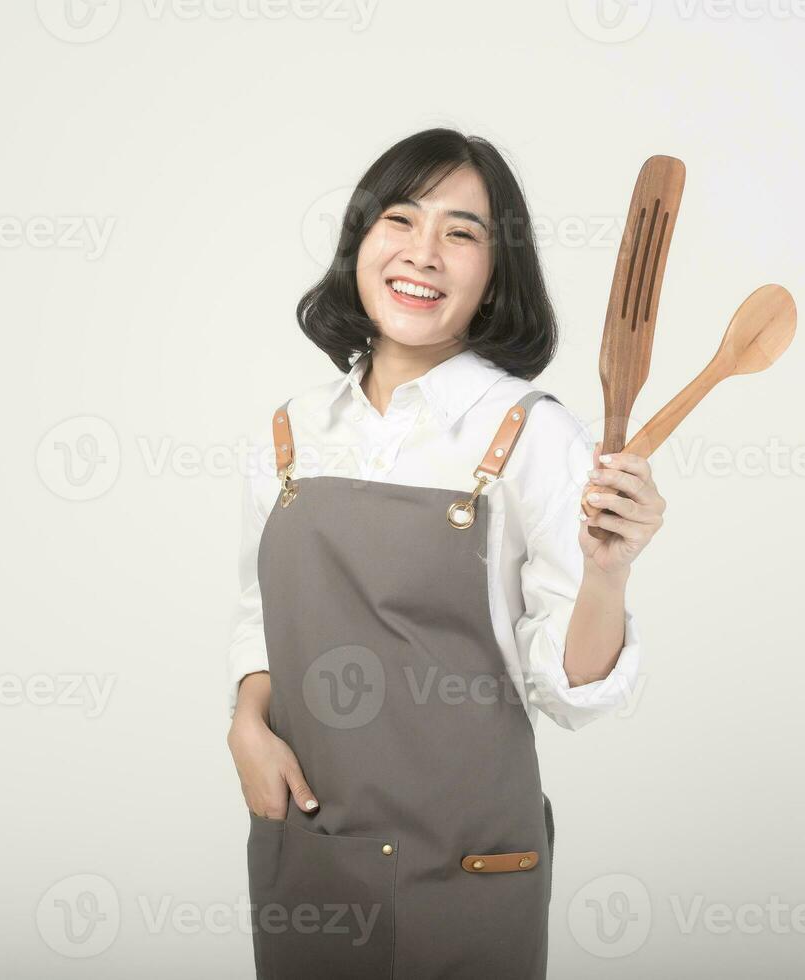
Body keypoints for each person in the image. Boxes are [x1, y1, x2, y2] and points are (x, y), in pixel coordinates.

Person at [225, 128, 666, 979]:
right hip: (312, 851)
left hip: (465, 865)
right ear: (360, 242)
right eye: (400, 219)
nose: (422, 253)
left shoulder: (534, 433)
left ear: (495, 275)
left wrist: (608, 571)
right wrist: (247, 721)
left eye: (461, 233)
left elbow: (569, 693)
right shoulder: (291, 431)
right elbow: (258, 611)